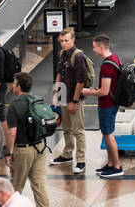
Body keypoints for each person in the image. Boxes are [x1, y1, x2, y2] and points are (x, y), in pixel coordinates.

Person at [3, 72, 54, 207]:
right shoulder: (36, 100)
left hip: (23, 150)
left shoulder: (14, 105)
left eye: (14, 83)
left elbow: (12, 132)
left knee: (16, 186)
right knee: (39, 185)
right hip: (40, 147)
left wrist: (7, 152)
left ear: (18, 87)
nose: (13, 86)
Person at [80, 34, 123, 179]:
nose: (93, 50)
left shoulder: (106, 66)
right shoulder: (115, 59)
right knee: (106, 133)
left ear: (101, 47)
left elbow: (104, 91)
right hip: (113, 102)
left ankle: (116, 166)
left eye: (94, 47)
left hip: (107, 104)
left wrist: (88, 92)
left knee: (109, 135)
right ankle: (110, 163)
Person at [52, 27, 89, 174]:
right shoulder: (62, 54)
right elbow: (59, 74)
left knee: (78, 130)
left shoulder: (78, 56)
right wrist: (56, 93)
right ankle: (67, 153)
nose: (63, 43)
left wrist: (74, 101)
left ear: (73, 40)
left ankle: (81, 160)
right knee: (66, 128)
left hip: (75, 99)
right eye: (61, 41)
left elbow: (81, 81)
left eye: (66, 40)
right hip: (64, 97)